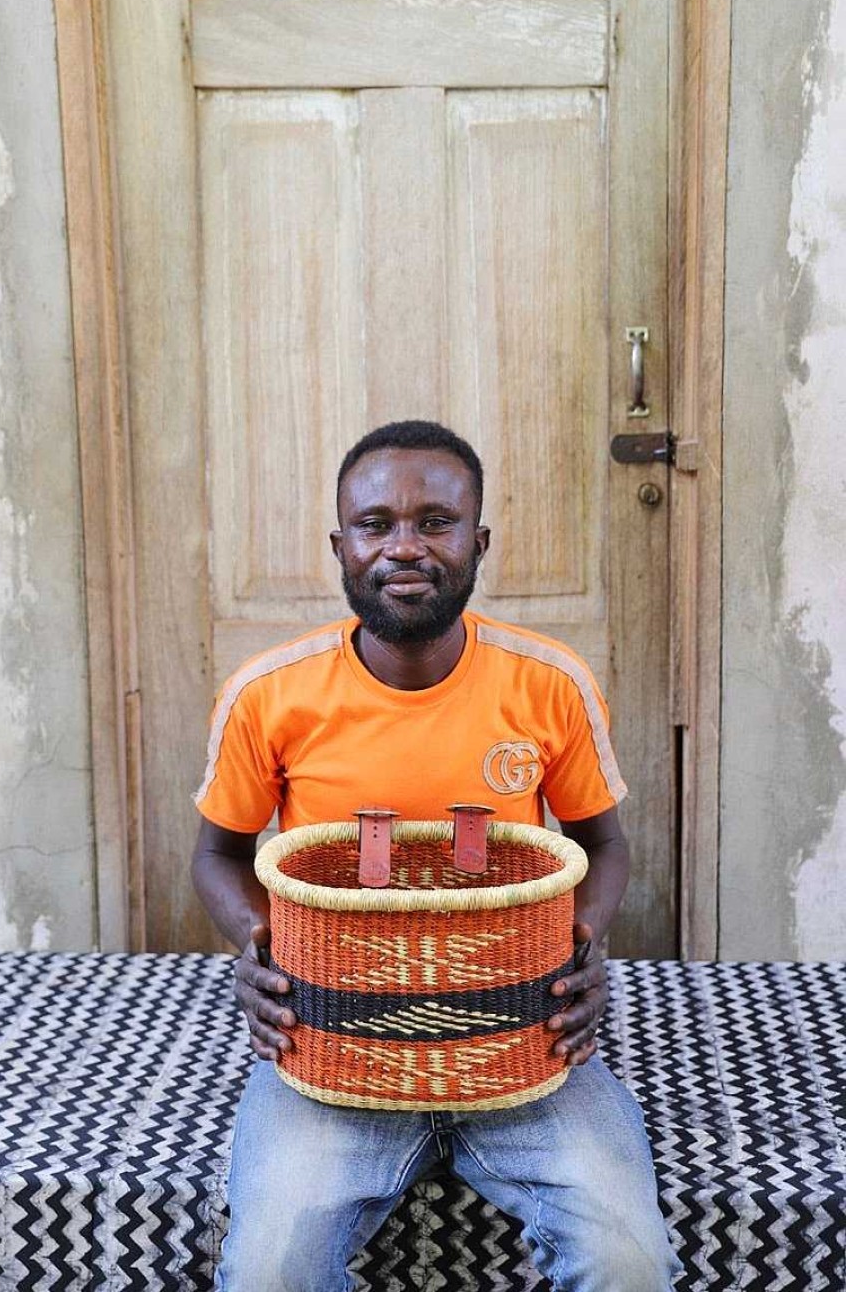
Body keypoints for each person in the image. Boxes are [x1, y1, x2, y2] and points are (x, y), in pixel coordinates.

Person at [192, 420, 681, 1291]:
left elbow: (601, 842)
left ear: (478, 540)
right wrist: (258, 946)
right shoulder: (268, 693)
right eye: (375, 524)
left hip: (524, 1041)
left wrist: (576, 943)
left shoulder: (547, 681)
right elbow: (219, 854)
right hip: (334, 1044)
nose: (404, 546)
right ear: (339, 546)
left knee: (628, 1259)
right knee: (267, 1269)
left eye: (435, 520)